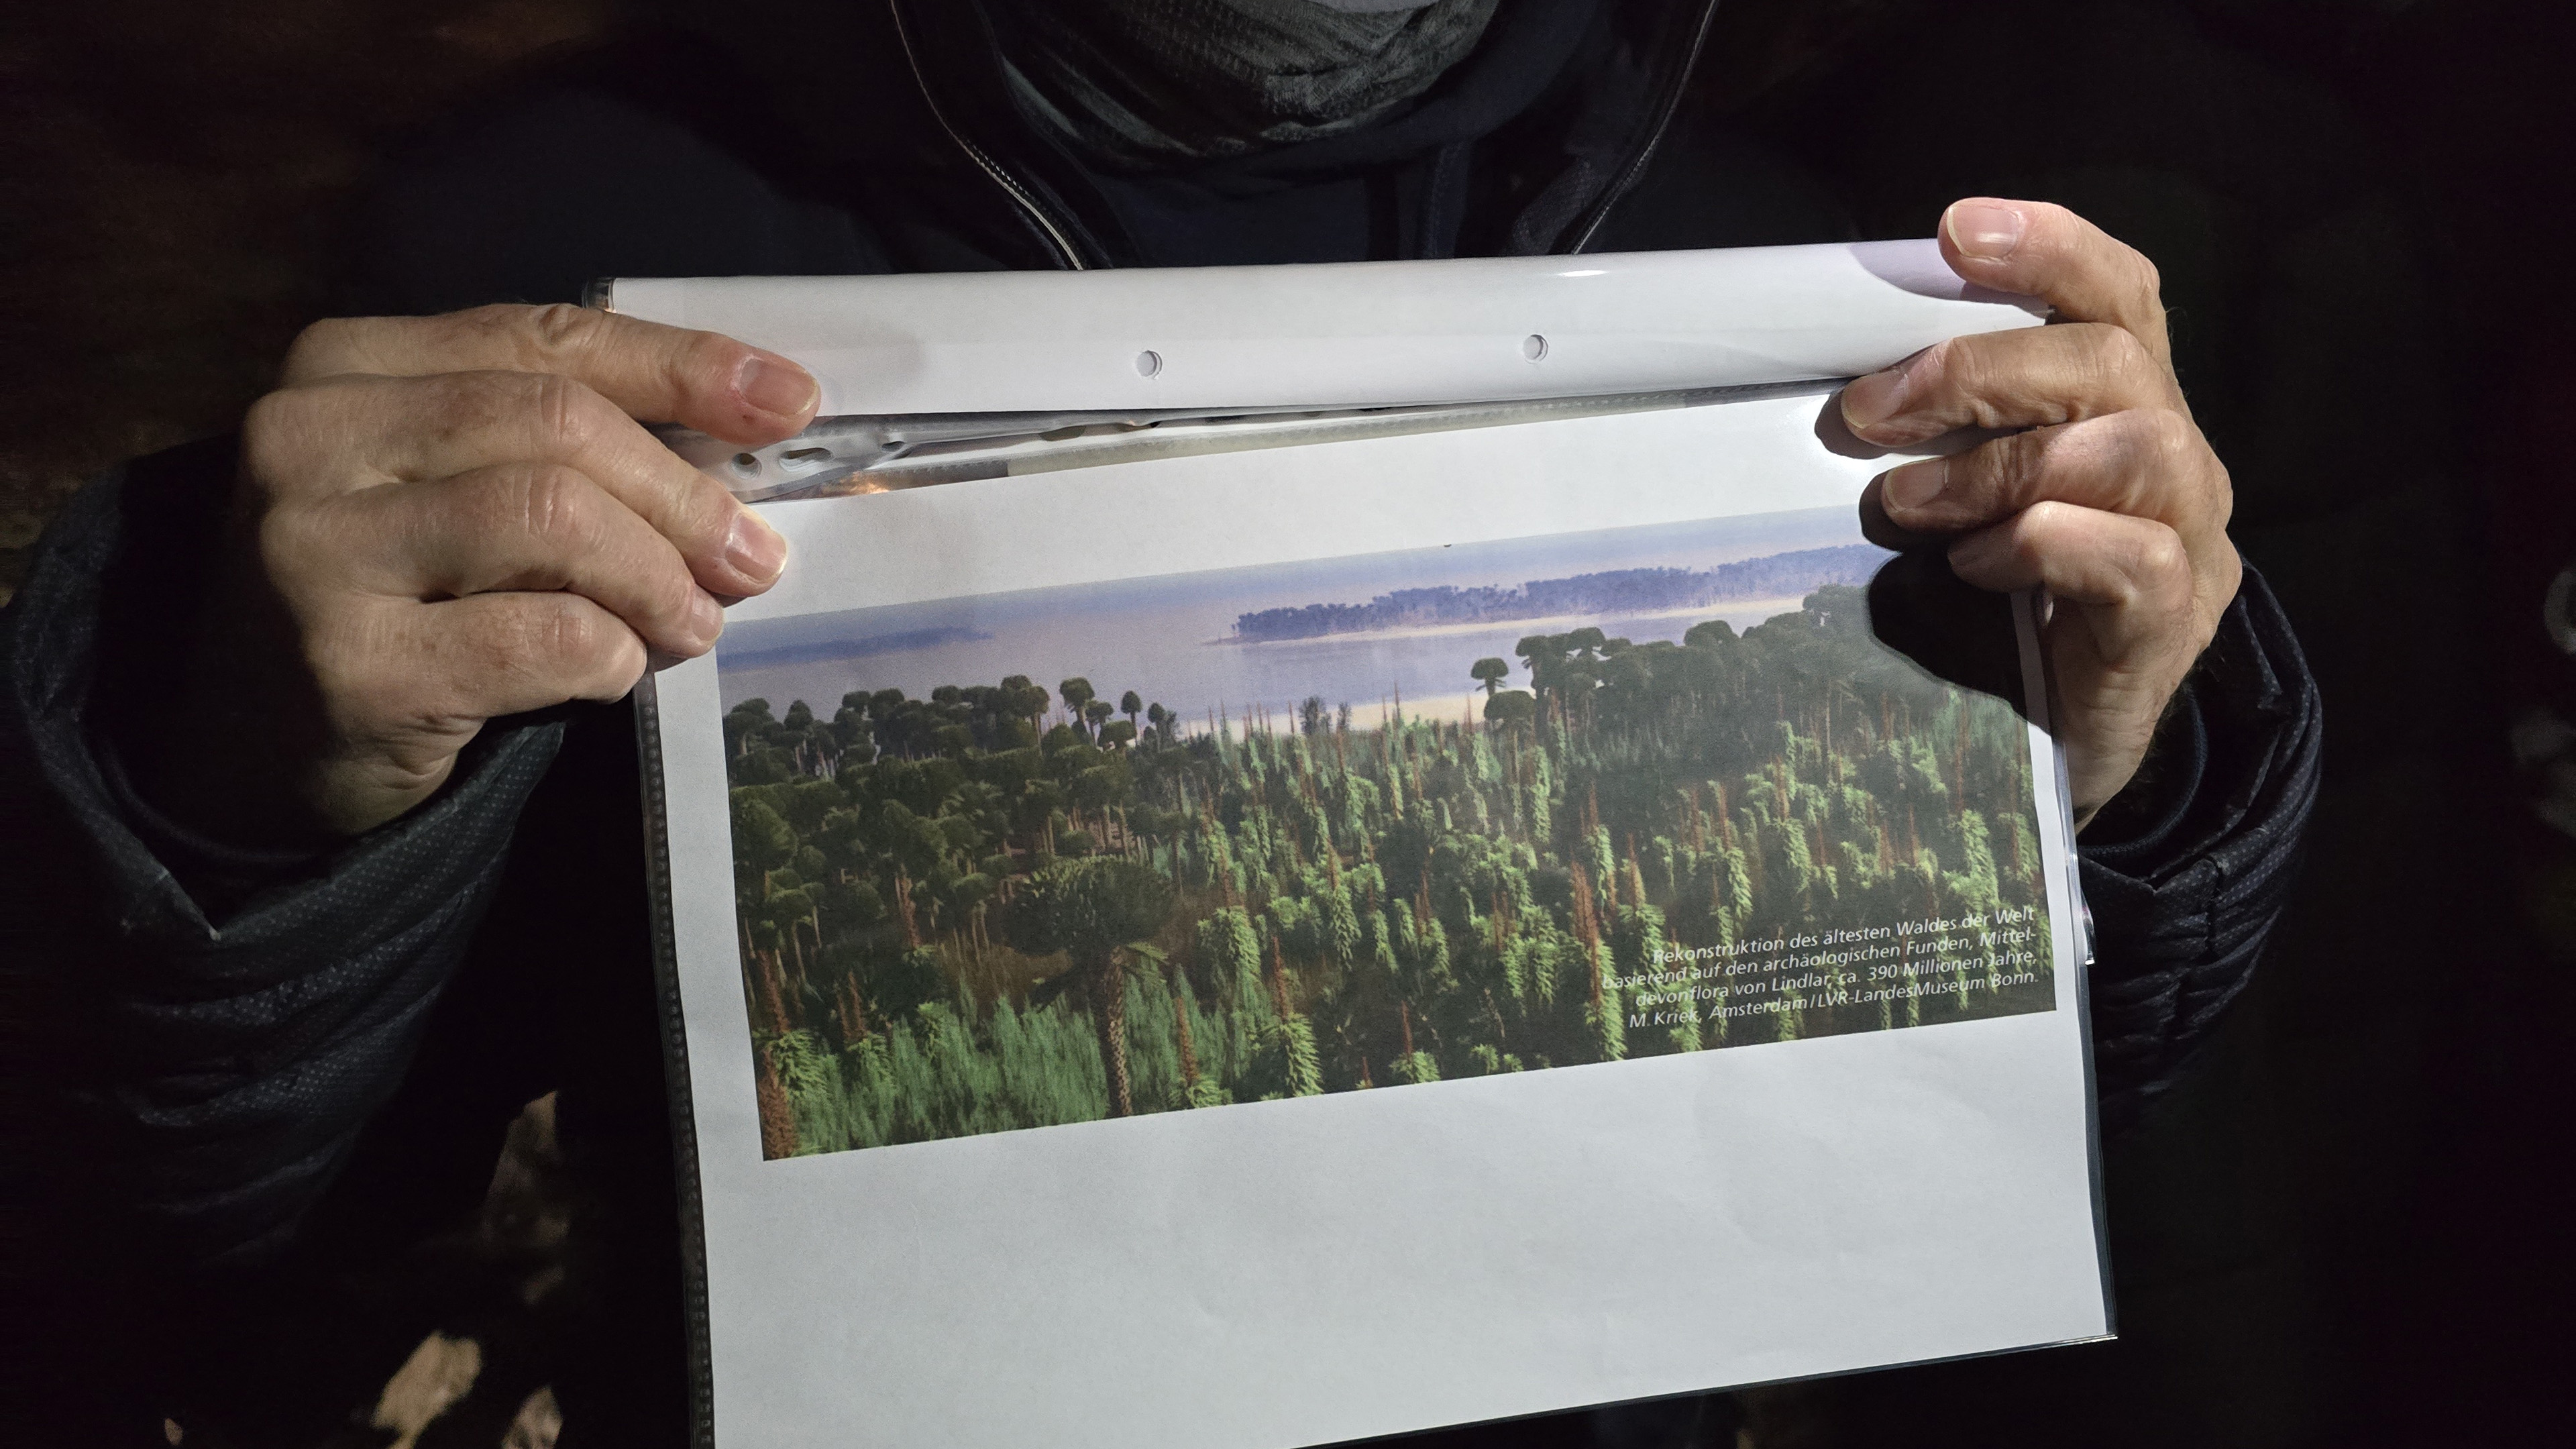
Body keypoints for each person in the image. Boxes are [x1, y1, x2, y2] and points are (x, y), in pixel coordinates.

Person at [0, 1, 2320, 1442]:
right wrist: (241, 799)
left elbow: (1950, 1135)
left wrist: (2083, 788)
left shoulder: (1817, 285)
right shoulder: (560, 250)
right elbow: (209, 1205)